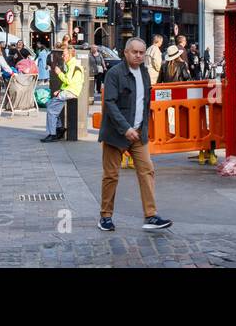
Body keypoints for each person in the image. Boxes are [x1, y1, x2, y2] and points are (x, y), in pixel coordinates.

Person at [98, 37, 171, 232]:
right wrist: (125, 128)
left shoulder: (145, 72)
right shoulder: (114, 73)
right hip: (116, 133)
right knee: (111, 175)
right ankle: (105, 216)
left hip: (138, 134)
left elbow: (144, 102)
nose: (138, 55)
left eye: (141, 52)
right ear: (126, 52)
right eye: (134, 52)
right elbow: (110, 104)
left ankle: (151, 215)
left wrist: (142, 128)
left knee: (147, 171)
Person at [42, 46, 85, 141]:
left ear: (70, 55)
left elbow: (68, 81)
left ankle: (52, 134)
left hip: (71, 92)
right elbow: (69, 82)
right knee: (50, 104)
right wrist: (60, 90)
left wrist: (59, 73)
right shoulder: (71, 64)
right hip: (69, 91)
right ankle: (59, 128)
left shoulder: (73, 65)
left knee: (51, 109)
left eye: (64, 54)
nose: (62, 56)